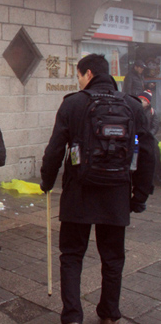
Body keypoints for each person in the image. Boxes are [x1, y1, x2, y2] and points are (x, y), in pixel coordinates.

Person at [40, 54, 155, 324]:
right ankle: (109, 314)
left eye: (79, 76)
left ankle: (72, 317)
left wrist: (46, 181)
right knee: (113, 257)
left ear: (88, 74)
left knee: (71, 256)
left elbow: (55, 148)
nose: (78, 81)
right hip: (116, 193)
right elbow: (149, 152)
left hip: (78, 192)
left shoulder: (73, 104)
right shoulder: (131, 105)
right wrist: (139, 195)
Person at [138, 90, 161, 184]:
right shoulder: (136, 110)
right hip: (138, 137)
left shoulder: (152, 112)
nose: (141, 101)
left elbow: (155, 126)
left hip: (149, 138)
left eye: (144, 100)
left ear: (148, 102)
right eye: (140, 99)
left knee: (153, 156)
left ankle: (155, 176)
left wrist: (149, 134)